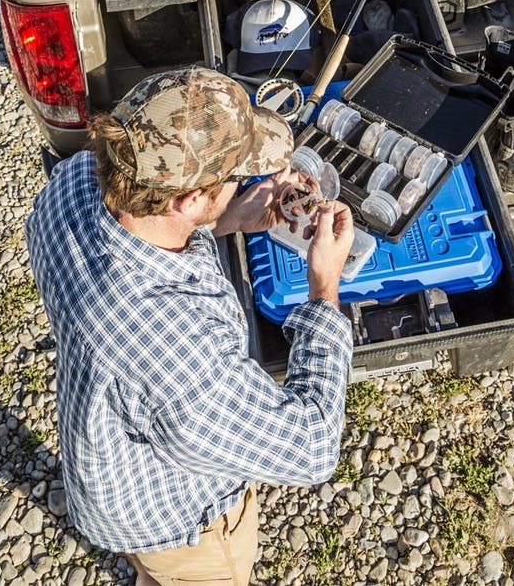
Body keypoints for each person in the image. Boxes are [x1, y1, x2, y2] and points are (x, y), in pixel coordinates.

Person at [25, 66, 356, 586]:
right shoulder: (176, 353)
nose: (243, 184)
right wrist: (324, 289)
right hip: (183, 530)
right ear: (188, 199)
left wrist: (230, 217)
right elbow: (312, 448)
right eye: (233, 179)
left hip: (114, 482)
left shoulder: (74, 184)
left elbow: (156, 229)